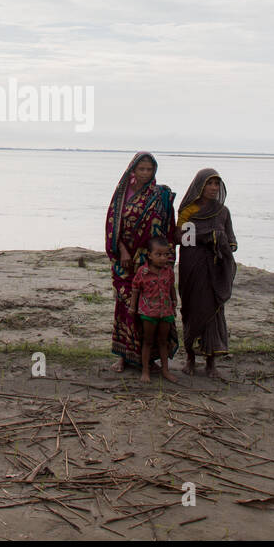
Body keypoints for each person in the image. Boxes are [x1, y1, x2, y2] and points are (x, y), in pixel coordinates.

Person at [104, 151, 178, 373]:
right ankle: (124, 357)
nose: (146, 173)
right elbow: (113, 226)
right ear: (133, 170)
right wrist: (123, 252)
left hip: (152, 263)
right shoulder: (121, 195)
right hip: (125, 263)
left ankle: (152, 359)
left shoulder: (160, 195)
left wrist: (164, 258)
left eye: (150, 169)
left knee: (153, 308)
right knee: (126, 307)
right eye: (142, 169)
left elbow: (167, 229)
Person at [177, 168, 237, 378]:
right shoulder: (188, 211)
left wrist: (223, 243)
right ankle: (190, 358)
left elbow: (231, 239)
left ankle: (211, 362)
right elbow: (182, 239)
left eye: (216, 184)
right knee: (192, 309)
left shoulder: (223, 211)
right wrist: (206, 236)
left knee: (213, 312)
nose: (213, 188)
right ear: (199, 186)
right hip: (193, 267)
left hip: (215, 268)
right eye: (209, 184)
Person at [131, 237, 179, 383]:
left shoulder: (169, 271)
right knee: (148, 341)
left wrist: (174, 302)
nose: (162, 258)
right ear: (149, 255)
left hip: (165, 311)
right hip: (148, 312)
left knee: (163, 341)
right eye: (158, 254)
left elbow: (171, 288)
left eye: (165, 255)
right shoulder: (142, 272)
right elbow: (135, 289)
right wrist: (133, 308)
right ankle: (145, 370)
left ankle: (165, 370)